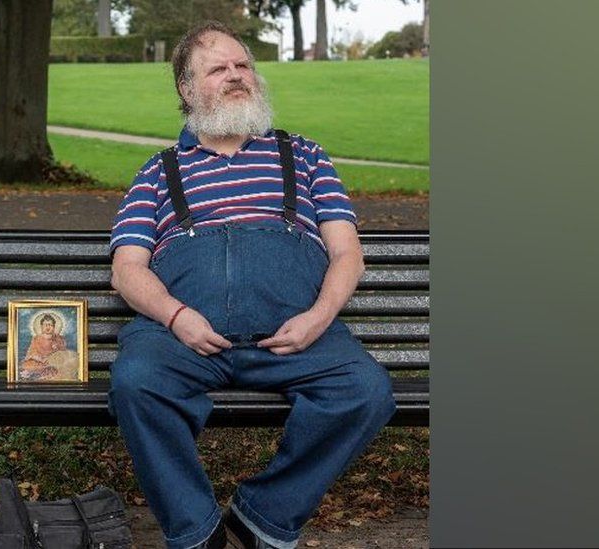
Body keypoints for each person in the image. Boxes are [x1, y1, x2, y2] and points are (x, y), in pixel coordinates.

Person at [106, 21, 397, 549]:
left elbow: (347, 253)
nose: (236, 76)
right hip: (184, 339)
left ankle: (264, 515)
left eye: (243, 66)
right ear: (187, 89)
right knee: (136, 381)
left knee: (366, 390)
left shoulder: (304, 155)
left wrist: (319, 317)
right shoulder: (156, 172)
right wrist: (176, 316)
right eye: (218, 69)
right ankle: (196, 532)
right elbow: (127, 269)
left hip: (296, 335)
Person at [20, 313, 66, 381]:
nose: (48, 327)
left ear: (54, 327)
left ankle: (48, 374)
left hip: (53, 361)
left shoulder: (59, 338)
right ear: (41, 326)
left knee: (60, 366)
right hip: (39, 361)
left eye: (50, 325)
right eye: (45, 325)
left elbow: (63, 352)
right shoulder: (36, 338)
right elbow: (31, 352)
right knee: (29, 365)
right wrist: (39, 358)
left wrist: (57, 349)